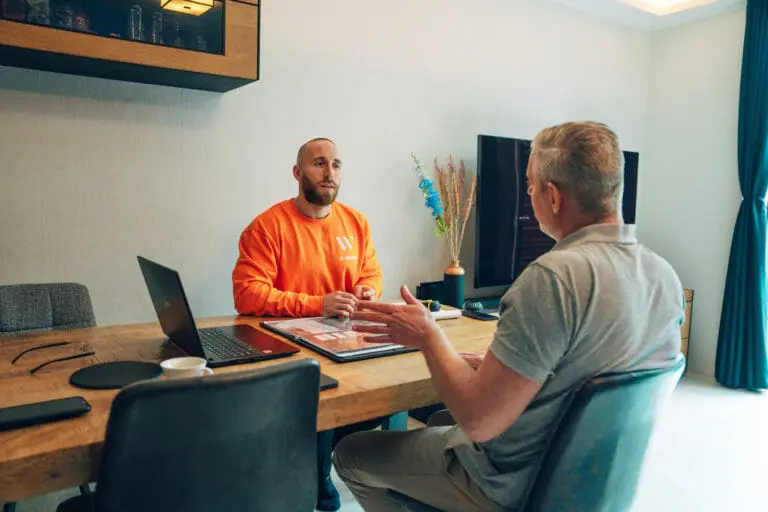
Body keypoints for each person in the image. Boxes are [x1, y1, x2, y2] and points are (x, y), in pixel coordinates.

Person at [333, 121, 685, 512]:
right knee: (439, 421)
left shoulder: (552, 279)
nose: (529, 195)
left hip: (509, 486)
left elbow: (479, 423)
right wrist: (507, 368)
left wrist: (429, 336)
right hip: (592, 486)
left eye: (531, 186)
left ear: (553, 196)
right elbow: (592, 374)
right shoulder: (664, 277)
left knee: (351, 453)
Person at [232, 138, 384, 511]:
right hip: (289, 348)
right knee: (313, 395)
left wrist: (367, 290)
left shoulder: (356, 222)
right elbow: (247, 294)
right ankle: (314, 485)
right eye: (319, 163)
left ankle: (320, 474)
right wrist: (318, 303)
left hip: (345, 342)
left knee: (379, 392)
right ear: (297, 172)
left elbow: (371, 273)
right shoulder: (268, 226)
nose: (329, 172)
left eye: (336, 164)